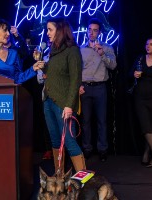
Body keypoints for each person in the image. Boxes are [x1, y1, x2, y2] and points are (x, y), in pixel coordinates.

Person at [42, 17, 86, 174]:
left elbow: (75, 80)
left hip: (63, 104)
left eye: (50, 29)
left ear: (60, 31)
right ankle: (59, 176)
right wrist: (44, 68)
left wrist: (69, 105)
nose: (47, 33)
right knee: (55, 140)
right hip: (48, 101)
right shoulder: (54, 50)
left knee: (69, 141)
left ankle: (84, 181)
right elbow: (57, 76)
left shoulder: (72, 50)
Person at [79, 18, 117, 162]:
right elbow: (76, 70)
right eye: (90, 30)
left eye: (95, 30)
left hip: (101, 88)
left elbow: (113, 66)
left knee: (102, 121)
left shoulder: (107, 48)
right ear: (87, 31)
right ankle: (87, 149)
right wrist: (78, 86)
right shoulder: (81, 49)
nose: (92, 33)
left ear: (99, 32)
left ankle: (102, 150)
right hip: (85, 88)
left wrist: (102, 54)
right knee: (86, 121)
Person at [133, 36, 152, 168]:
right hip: (140, 98)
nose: (148, 46)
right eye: (147, 44)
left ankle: (146, 153)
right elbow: (130, 72)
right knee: (145, 126)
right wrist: (134, 74)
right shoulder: (141, 58)